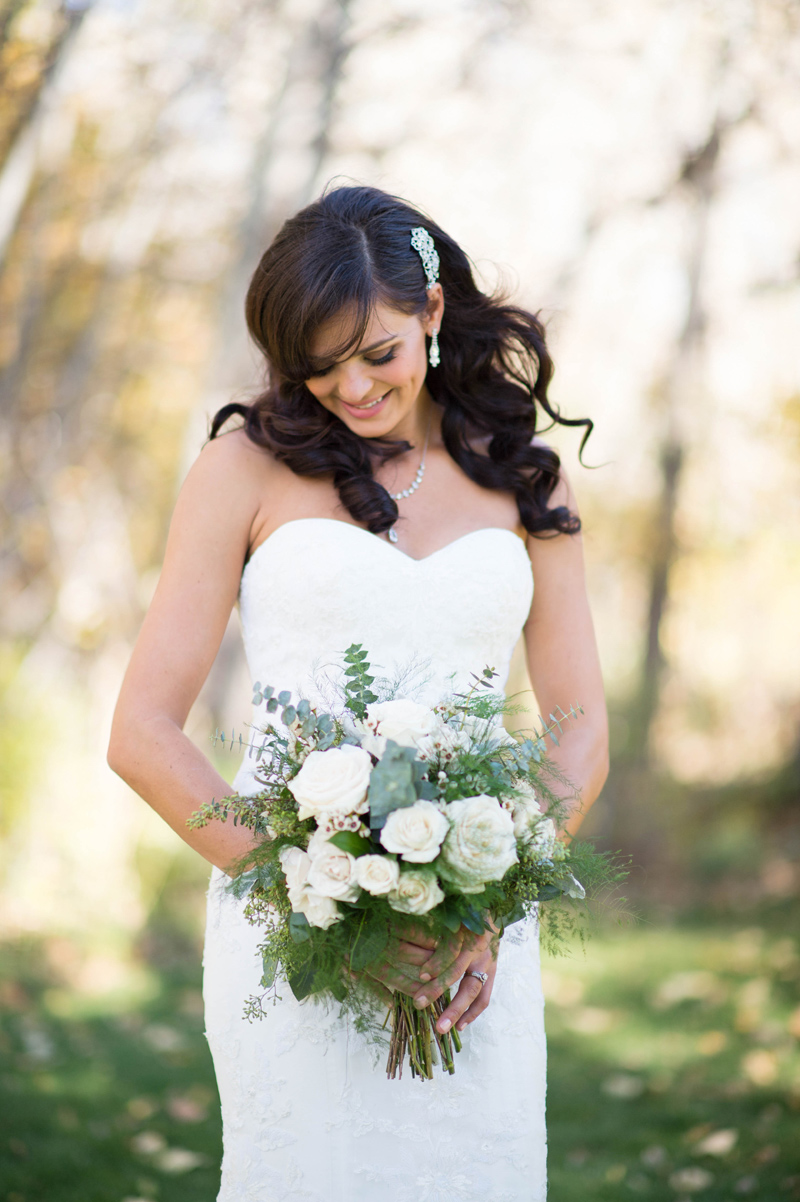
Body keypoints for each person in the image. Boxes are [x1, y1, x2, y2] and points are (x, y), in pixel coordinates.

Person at [108, 183, 608, 1201]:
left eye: (375, 353)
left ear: (429, 310)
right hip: (293, 934)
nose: (352, 388)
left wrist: (493, 899)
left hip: (473, 942)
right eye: (319, 365)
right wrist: (318, 899)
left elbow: (581, 724)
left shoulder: (526, 482)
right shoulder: (241, 468)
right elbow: (141, 731)